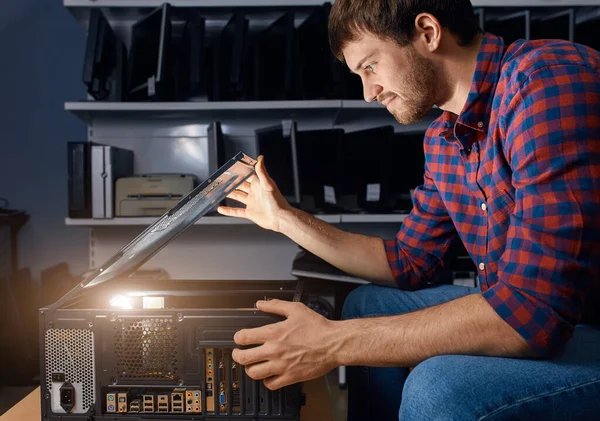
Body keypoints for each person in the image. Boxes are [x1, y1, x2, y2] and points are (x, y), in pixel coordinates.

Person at [217, 0, 600, 419]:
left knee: (438, 388)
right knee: (368, 303)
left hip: (581, 326)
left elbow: (532, 312)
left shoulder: (545, 81)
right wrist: (282, 219)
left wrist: (333, 342)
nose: (368, 93)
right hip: (545, 316)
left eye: (370, 67)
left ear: (428, 32)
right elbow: (409, 263)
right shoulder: (443, 138)